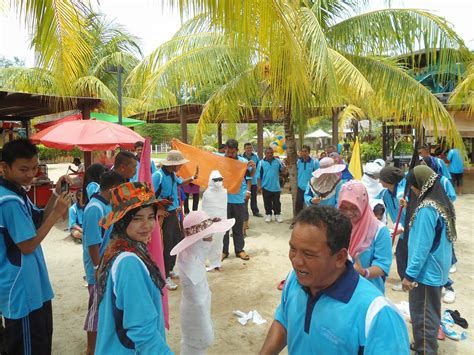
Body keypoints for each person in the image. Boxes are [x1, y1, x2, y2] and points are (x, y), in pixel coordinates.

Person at [260, 206, 409, 354]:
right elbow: (285, 321)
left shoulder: (377, 315)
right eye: (293, 249)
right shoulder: (294, 279)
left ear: (340, 257)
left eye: (309, 254)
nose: (296, 261)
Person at [0, 139, 71, 354]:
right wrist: (58, 213)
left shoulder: (16, 192)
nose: (31, 174)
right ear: (4, 167)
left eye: (34, 168)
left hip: (31, 286)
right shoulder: (9, 201)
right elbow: (28, 246)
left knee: (40, 340)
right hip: (21, 289)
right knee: (28, 346)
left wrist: (56, 194)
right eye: (24, 169)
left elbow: (38, 219)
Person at [96, 182, 172, 354]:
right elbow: (143, 331)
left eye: (151, 217)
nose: (147, 225)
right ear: (122, 221)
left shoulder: (118, 249)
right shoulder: (129, 263)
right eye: (137, 218)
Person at [402, 165, 456, 354]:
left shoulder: (426, 209)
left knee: (423, 314)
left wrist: (410, 275)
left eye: (414, 187)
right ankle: (423, 343)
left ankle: (425, 349)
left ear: (421, 185)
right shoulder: (442, 204)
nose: (414, 191)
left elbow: (421, 247)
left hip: (426, 273)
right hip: (437, 270)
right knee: (430, 311)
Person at [170, 211, 235, 355]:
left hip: (197, 314)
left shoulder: (193, 258)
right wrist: (206, 329)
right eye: (207, 239)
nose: (210, 242)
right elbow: (198, 301)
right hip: (196, 319)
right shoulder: (189, 264)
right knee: (194, 348)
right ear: (196, 240)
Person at [82, 171, 125, 355]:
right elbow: (93, 242)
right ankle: (90, 350)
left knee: (102, 307)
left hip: (105, 265)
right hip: (98, 268)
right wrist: (97, 268)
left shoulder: (107, 205)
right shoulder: (95, 208)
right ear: (113, 188)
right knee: (95, 311)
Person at [152, 150, 198, 290]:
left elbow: (179, 183)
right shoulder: (158, 176)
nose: (181, 166)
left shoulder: (172, 174)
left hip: (173, 212)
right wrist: (157, 210)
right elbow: (148, 195)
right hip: (163, 214)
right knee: (166, 244)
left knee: (175, 241)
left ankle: (170, 268)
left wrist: (192, 178)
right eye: (180, 164)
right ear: (174, 164)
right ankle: (164, 276)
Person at [338, 181, 393, 294]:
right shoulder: (336, 226)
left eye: (354, 207)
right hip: (340, 290)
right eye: (344, 208)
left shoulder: (379, 231)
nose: (348, 212)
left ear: (363, 204)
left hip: (368, 292)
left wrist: (363, 272)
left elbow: (382, 265)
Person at [222, 139, 256, 261]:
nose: (229, 154)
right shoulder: (220, 159)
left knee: (238, 227)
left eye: (232, 152)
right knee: (224, 228)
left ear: (237, 150)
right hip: (223, 199)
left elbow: (249, 178)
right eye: (227, 152)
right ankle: (223, 251)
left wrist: (248, 191)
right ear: (225, 149)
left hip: (239, 199)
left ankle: (239, 250)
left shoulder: (243, 162)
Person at [202, 170, 228, 271]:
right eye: (216, 179)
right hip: (210, 224)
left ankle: (216, 263)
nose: (218, 181)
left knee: (219, 244)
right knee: (207, 243)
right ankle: (205, 263)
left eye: (220, 179)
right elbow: (205, 210)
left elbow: (224, 208)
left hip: (221, 223)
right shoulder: (207, 194)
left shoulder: (224, 192)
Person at [256, 147, 287, 223]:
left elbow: (283, 172)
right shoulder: (261, 163)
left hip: (276, 186)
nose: (269, 154)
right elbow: (258, 176)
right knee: (267, 202)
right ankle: (268, 214)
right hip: (265, 186)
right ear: (265, 154)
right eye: (268, 153)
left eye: (271, 153)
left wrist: (285, 168)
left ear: (273, 153)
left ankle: (277, 214)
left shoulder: (278, 161)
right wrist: (259, 186)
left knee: (277, 202)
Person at [295, 145, 319, 216]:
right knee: (298, 204)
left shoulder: (314, 163)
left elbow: (317, 175)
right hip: (300, 187)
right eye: (302, 151)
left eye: (305, 151)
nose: (303, 153)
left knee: (311, 205)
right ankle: (297, 221)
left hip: (310, 188)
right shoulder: (298, 162)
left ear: (309, 152)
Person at [241, 142, 262, 217]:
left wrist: (256, 177)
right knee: (244, 198)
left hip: (253, 181)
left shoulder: (255, 157)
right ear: (244, 149)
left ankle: (255, 211)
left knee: (254, 197)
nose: (249, 149)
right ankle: (244, 213)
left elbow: (258, 168)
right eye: (247, 148)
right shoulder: (241, 157)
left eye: (250, 148)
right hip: (244, 182)